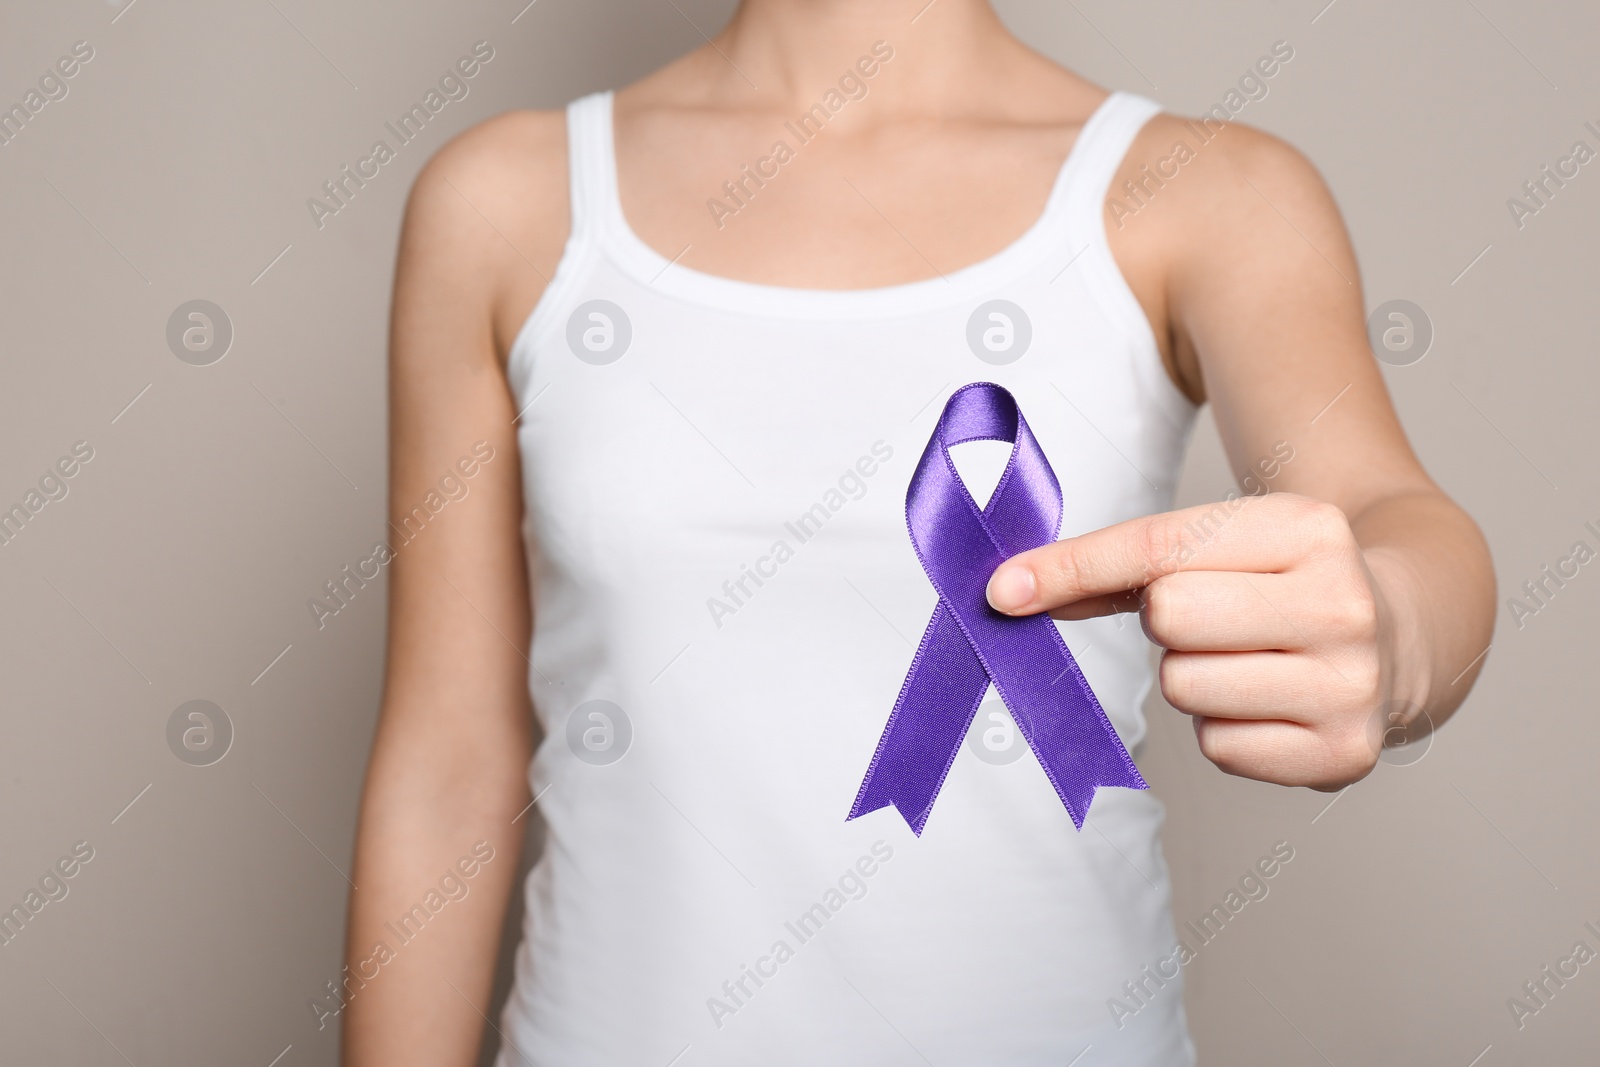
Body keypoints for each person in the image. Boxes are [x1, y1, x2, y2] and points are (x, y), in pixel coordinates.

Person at [341, 1, 1495, 1063]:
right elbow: (449, 760)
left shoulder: (1207, 191)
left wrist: (1390, 631)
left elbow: (1394, 517)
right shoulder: (505, 201)